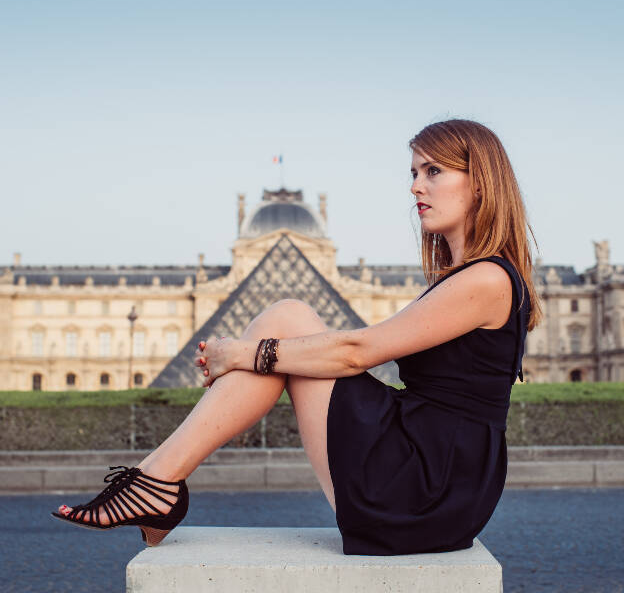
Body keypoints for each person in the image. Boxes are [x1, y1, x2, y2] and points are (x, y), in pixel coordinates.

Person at [52, 118, 543, 554]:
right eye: (414, 173)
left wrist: (242, 353)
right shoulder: (469, 276)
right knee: (285, 325)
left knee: (285, 319)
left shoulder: (485, 279)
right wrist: (256, 356)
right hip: (439, 474)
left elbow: (357, 352)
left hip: (425, 484)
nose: (416, 186)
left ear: (480, 182)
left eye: (433, 171)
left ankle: (156, 484)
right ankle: (158, 485)